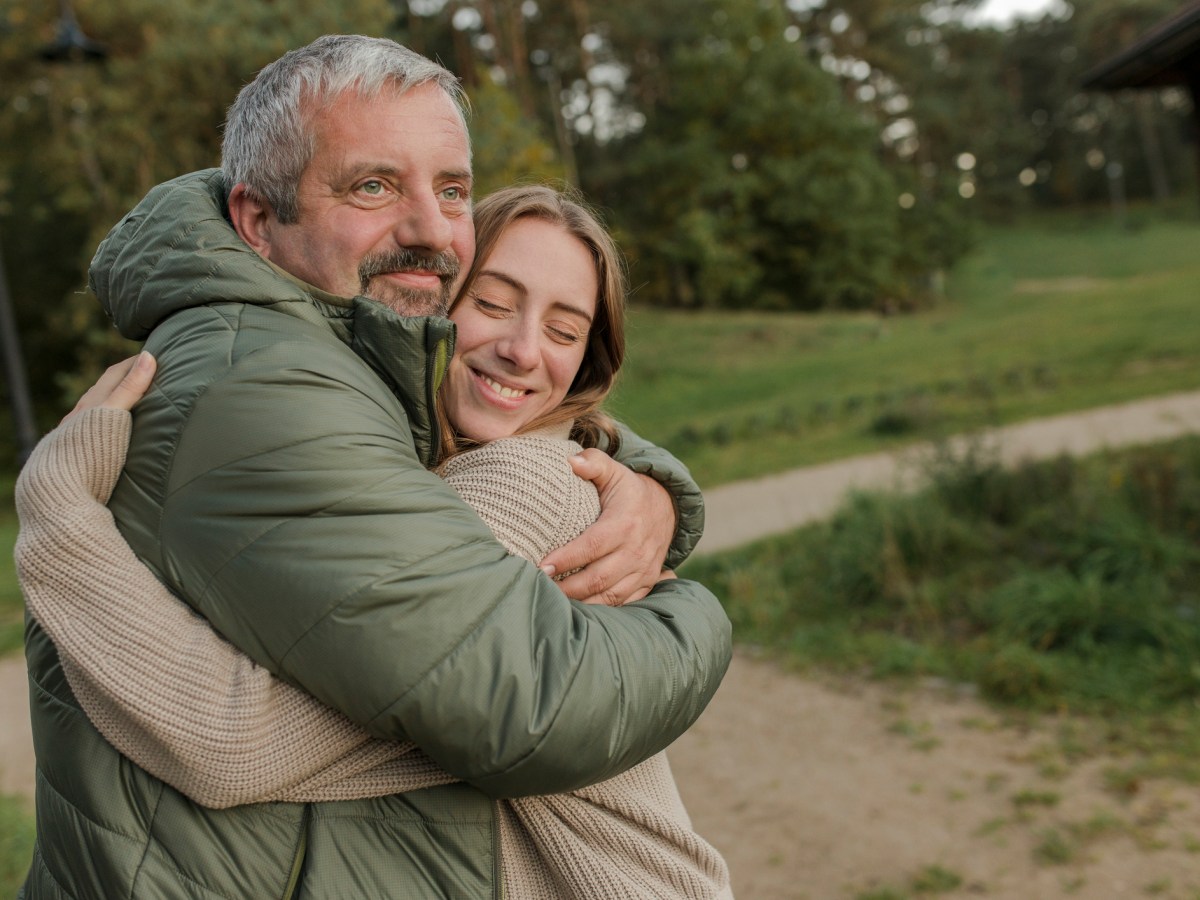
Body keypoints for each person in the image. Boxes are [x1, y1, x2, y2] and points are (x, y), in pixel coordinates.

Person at [18, 36, 730, 899]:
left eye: (454, 190)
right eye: (373, 184)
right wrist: (677, 558)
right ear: (256, 219)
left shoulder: (531, 479)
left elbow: (235, 739)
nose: (430, 228)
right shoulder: (319, 401)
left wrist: (58, 528)